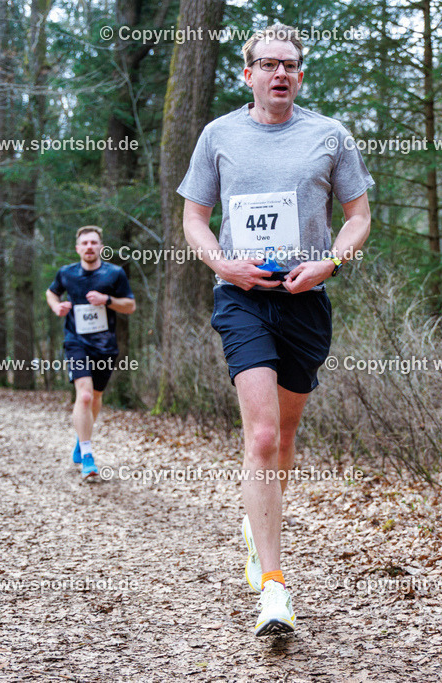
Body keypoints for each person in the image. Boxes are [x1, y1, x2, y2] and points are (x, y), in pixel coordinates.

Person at [177, 24, 373, 636]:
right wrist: (219, 262)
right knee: (261, 435)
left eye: (289, 64)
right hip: (240, 298)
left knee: (284, 439)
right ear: (247, 73)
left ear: (300, 74)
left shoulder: (329, 137)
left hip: (305, 300)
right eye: (267, 64)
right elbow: (194, 216)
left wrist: (332, 263)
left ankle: (255, 518)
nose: (279, 74)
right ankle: (273, 589)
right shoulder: (219, 135)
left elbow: (358, 217)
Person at [45, 226, 136, 479]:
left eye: (93, 243)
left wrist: (107, 300)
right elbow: (51, 292)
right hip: (76, 342)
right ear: (77, 248)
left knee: (95, 398)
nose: (88, 247)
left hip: (105, 346)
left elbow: (130, 305)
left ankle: (80, 438)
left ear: (100, 247)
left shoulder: (114, 273)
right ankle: (87, 456)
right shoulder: (67, 273)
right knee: (83, 397)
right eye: (84, 243)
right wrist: (57, 307)